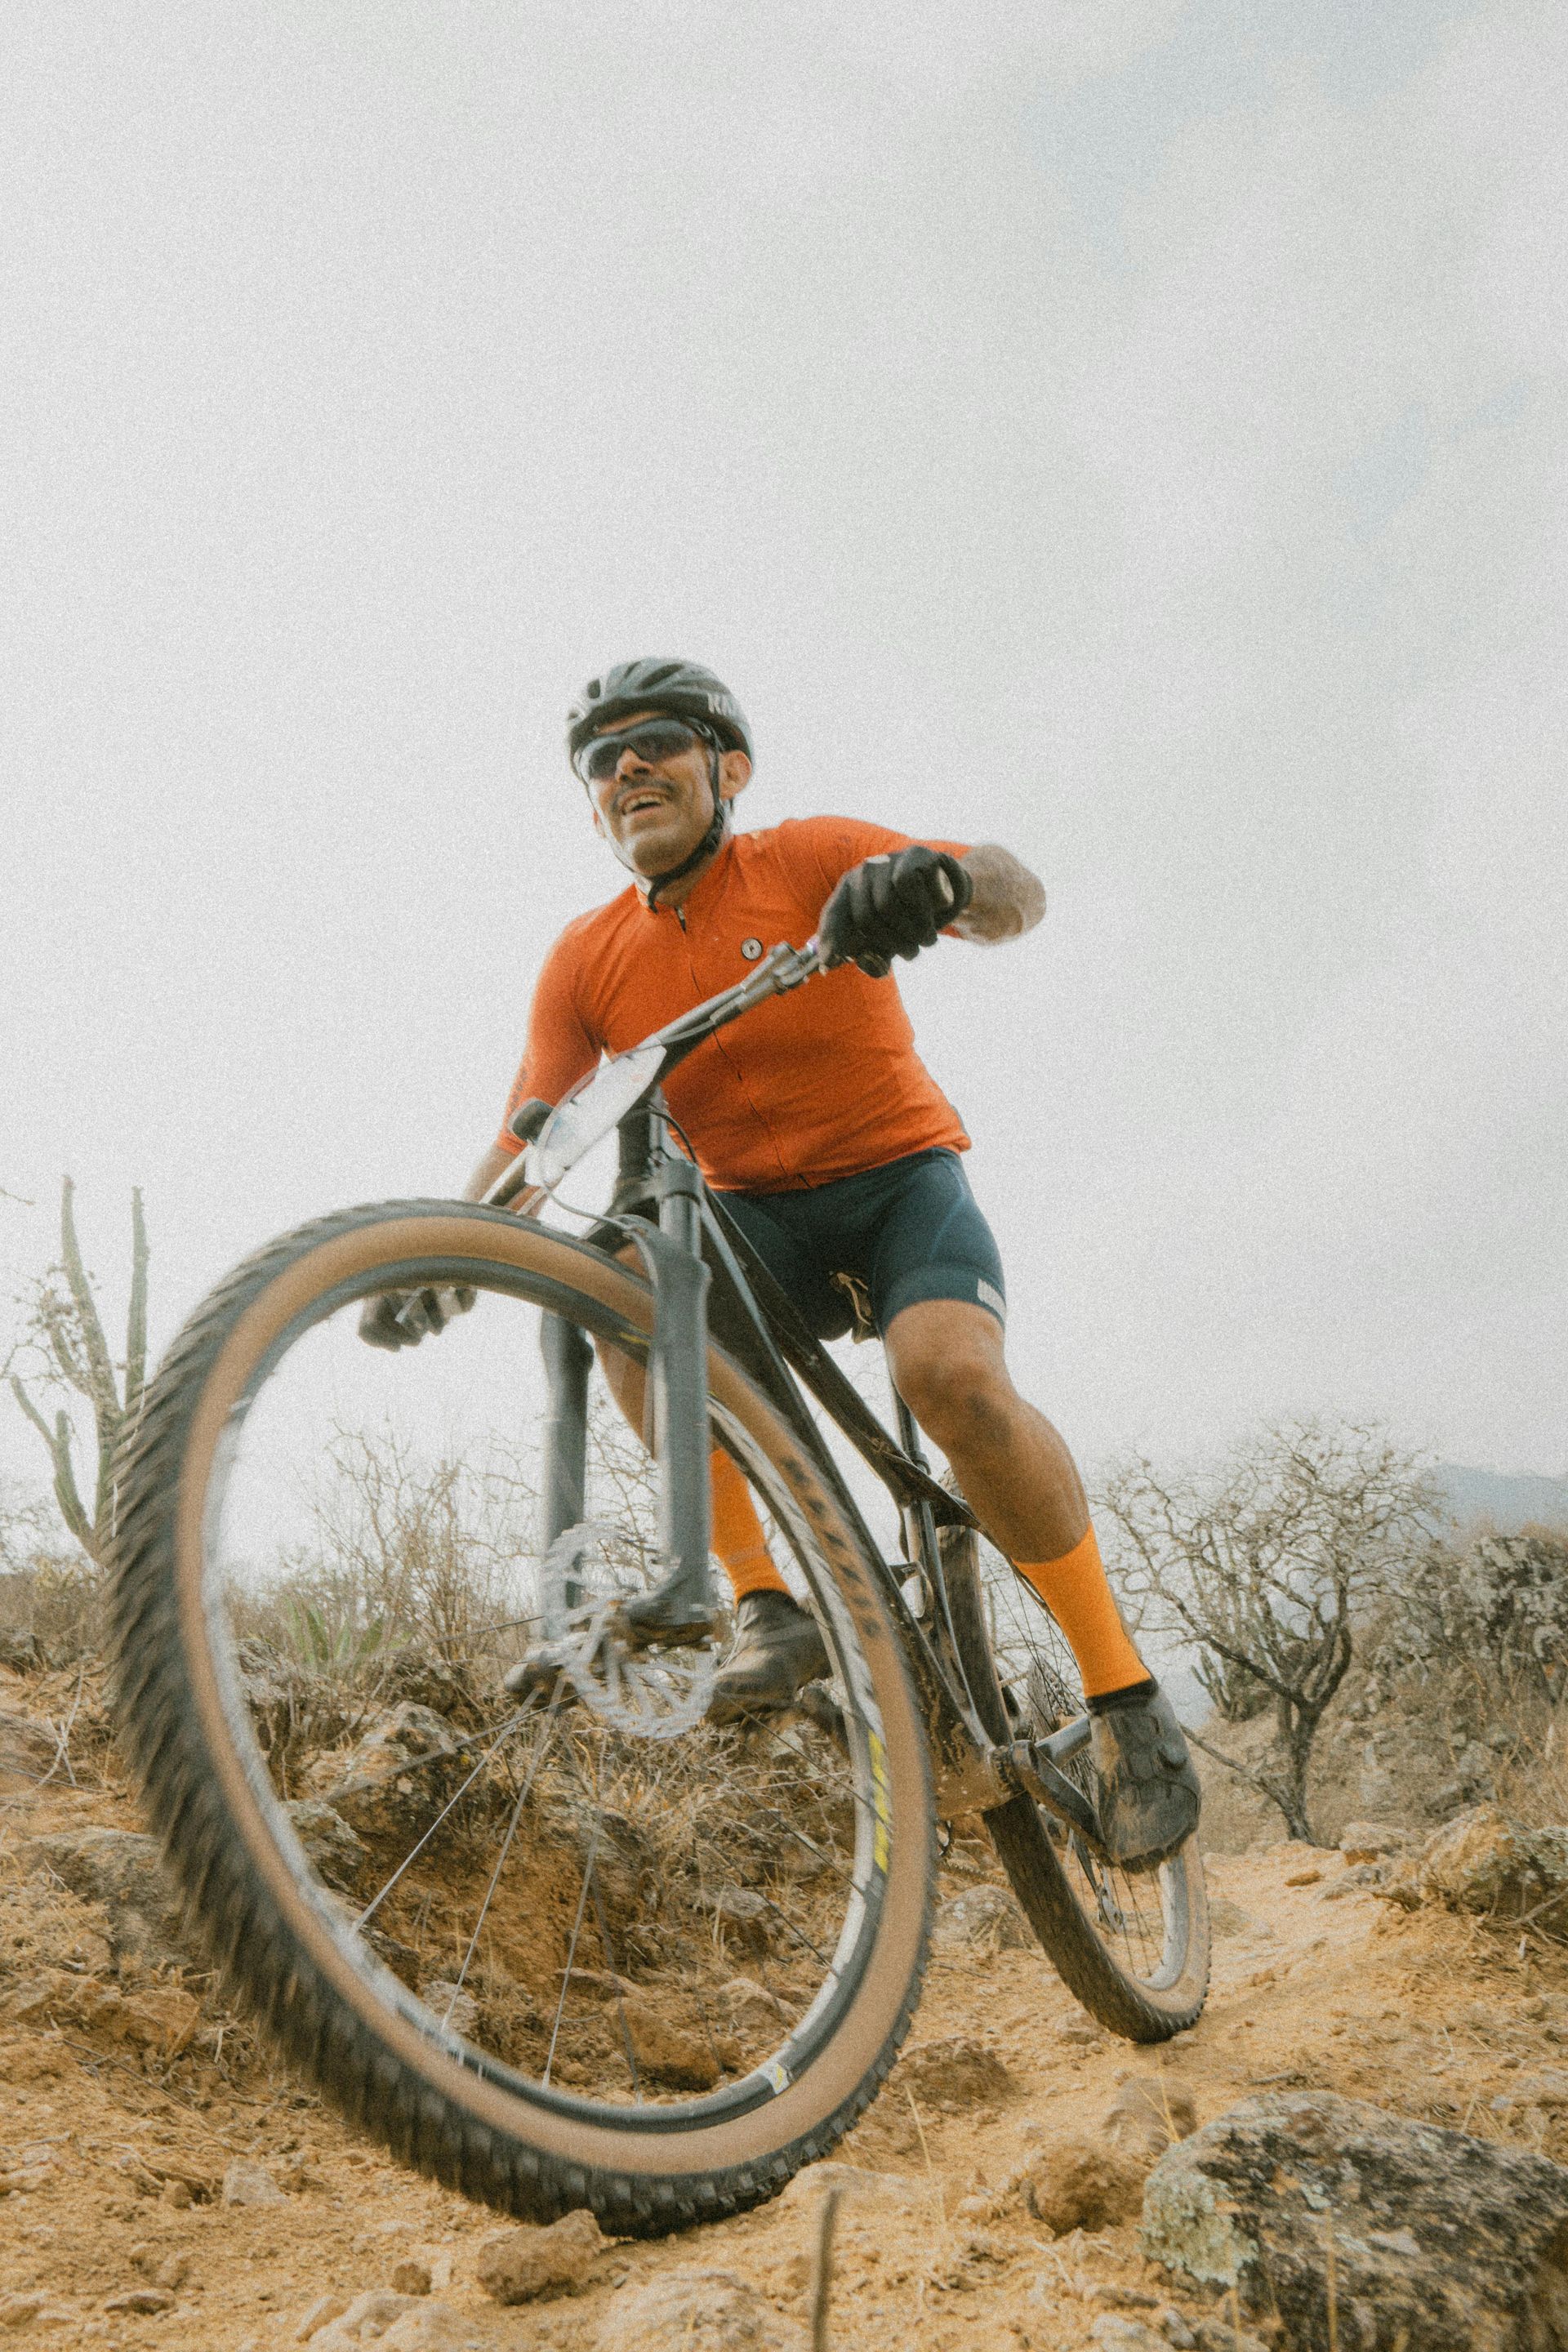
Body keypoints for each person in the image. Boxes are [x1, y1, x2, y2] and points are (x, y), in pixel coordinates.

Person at [363, 659, 1199, 1869]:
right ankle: (769, 1602)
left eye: (654, 741)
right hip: (757, 1226)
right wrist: (446, 1251)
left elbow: (1013, 896)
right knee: (630, 1290)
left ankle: (1126, 1699)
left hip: (900, 1187)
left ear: (728, 769)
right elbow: (533, 1133)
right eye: (602, 760)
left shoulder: (811, 860)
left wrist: (938, 879)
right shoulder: (588, 959)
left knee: (950, 1379)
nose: (626, 769)